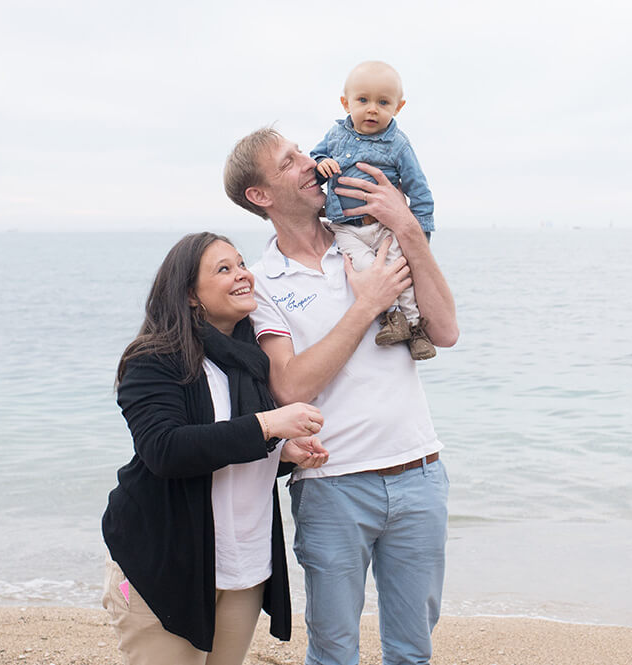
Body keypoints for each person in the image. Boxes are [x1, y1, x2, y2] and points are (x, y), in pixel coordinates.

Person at [223, 127, 459, 665]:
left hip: (420, 472)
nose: (310, 163)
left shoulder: (375, 239)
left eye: (302, 152)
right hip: (332, 487)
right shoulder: (262, 285)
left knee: (413, 651)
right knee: (333, 651)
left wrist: (407, 227)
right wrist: (366, 305)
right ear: (260, 195)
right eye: (288, 163)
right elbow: (289, 386)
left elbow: (444, 332)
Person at [101, 232, 330, 665]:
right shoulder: (154, 358)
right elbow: (165, 450)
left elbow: (231, 445)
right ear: (190, 294)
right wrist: (267, 425)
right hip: (166, 563)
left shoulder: (251, 359)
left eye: (241, 264)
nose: (242, 275)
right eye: (223, 269)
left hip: (243, 565)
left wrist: (283, 452)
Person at [312, 60, 436, 360]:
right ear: (346, 103)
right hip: (345, 226)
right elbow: (316, 157)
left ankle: (416, 328)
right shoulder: (336, 134)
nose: (372, 109)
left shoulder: (398, 144)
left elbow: (419, 189)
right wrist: (320, 164)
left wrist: (420, 236)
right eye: (363, 100)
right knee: (368, 269)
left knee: (398, 271)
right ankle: (393, 318)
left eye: (383, 102)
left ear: (398, 107)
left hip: (383, 225)